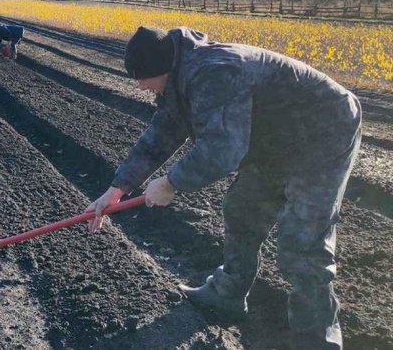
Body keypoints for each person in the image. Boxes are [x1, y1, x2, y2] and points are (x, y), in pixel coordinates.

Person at [84, 26, 361, 350]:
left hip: (322, 133)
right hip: (272, 139)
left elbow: (223, 151)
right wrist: (118, 187)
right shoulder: (179, 75)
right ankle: (227, 294)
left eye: (143, 77)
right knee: (242, 209)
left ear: (162, 69)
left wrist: (172, 182)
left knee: (301, 241)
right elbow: (160, 135)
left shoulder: (213, 73)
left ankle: (318, 340)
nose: (140, 85)